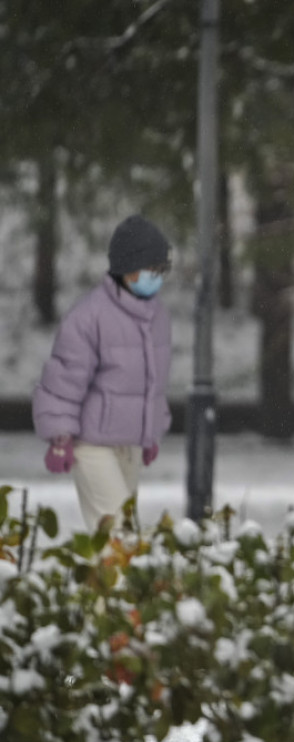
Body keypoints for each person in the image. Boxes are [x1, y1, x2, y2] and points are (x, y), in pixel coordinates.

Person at [32, 214, 173, 533]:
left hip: (130, 445)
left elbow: (153, 382)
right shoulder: (89, 317)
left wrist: (150, 431)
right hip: (91, 443)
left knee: (117, 546)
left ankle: (103, 585)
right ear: (127, 268)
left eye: (161, 270)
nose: (157, 277)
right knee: (118, 534)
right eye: (151, 269)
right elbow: (64, 381)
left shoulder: (157, 316)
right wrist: (60, 438)